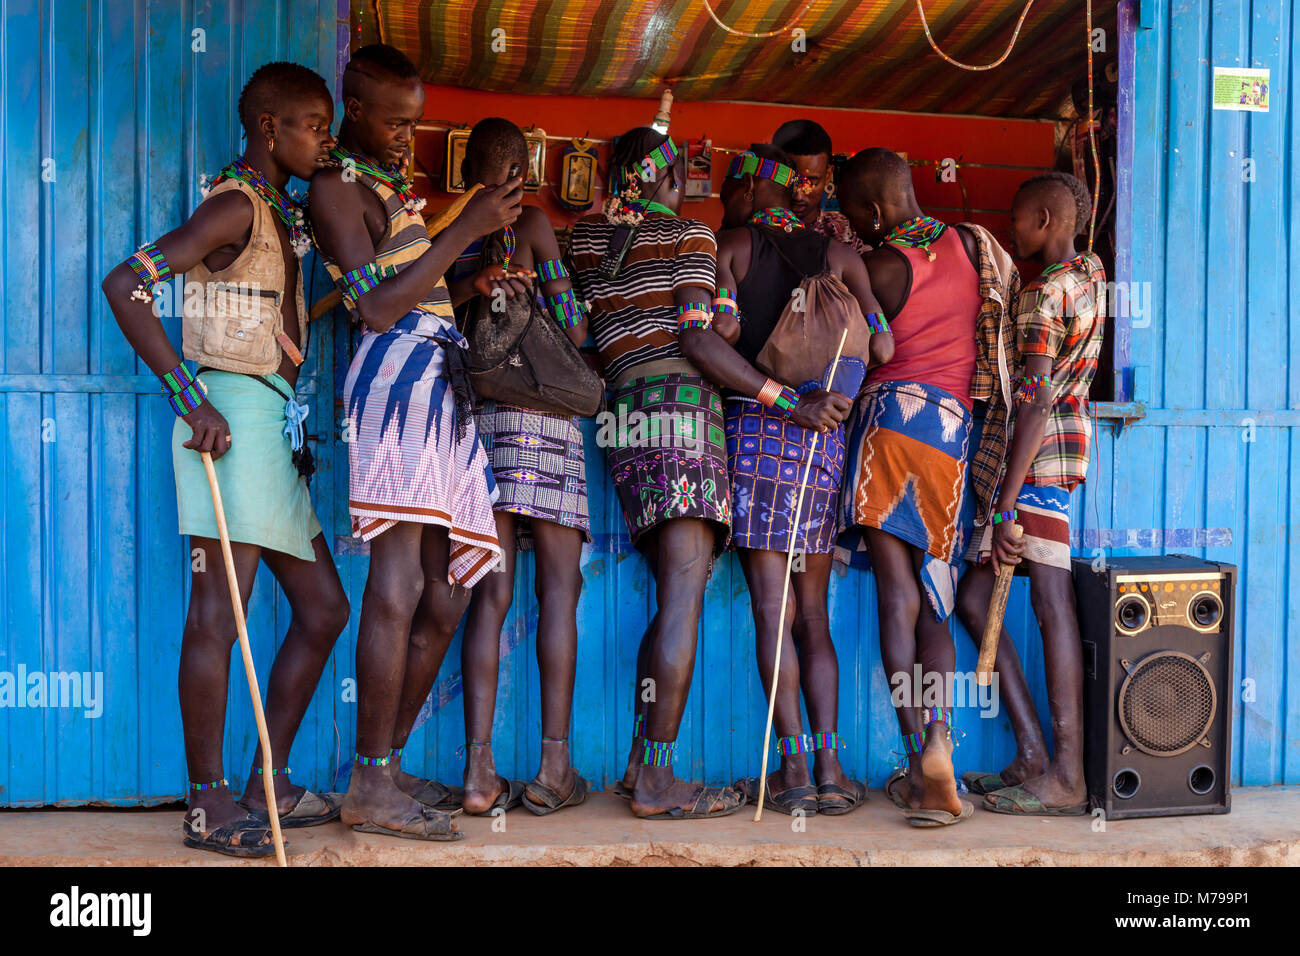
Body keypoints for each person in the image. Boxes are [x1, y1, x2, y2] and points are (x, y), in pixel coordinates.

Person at [101, 62, 348, 857]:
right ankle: (207, 802)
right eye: (313, 124)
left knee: (324, 610)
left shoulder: (273, 209)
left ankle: (266, 781)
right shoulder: (234, 203)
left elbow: (256, 305)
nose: (326, 138)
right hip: (229, 422)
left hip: (268, 426)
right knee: (219, 614)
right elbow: (126, 282)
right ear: (270, 128)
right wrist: (187, 397)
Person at [308, 44, 523, 841]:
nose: (407, 136)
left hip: (441, 381)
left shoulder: (390, 188)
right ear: (353, 110)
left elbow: (419, 290)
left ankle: (387, 766)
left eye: (415, 121)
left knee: (449, 590)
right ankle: (368, 778)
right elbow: (373, 308)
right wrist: (461, 225)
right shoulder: (335, 189)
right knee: (397, 582)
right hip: (396, 384)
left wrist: (468, 282)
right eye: (395, 122)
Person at [677, 143, 892, 815]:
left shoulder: (729, 246)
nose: (723, 204)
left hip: (758, 434)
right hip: (823, 440)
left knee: (773, 612)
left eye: (729, 191)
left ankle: (793, 772)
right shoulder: (843, 256)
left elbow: (717, 335)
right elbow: (882, 344)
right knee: (814, 614)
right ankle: (832, 771)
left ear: (745, 190)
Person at [569, 126, 744, 819]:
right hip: (684, 412)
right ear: (670, 181)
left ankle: (644, 760)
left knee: (674, 593)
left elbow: (584, 332)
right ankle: (659, 779)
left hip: (623, 415)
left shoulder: (582, 240)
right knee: (684, 599)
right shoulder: (691, 237)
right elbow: (700, 336)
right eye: (685, 178)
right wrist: (778, 394)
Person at [445, 117, 591, 816]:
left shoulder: (444, 230)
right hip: (550, 424)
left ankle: (478, 776)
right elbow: (575, 324)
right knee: (559, 594)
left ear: (467, 168)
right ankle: (554, 769)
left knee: (490, 597)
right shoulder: (532, 224)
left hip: (482, 425)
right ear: (524, 172)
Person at [836, 147, 984, 827]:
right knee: (935, 602)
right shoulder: (966, 245)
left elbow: (849, 353)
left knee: (896, 597)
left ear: (870, 209)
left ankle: (916, 751)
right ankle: (943, 741)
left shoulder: (878, 268)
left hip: (888, 428)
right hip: (949, 438)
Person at [956, 172, 1105, 817]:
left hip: (1036, 464)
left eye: (1017, 219)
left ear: (1045, 220)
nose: (1011, 231)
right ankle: (1036, 756)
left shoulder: (1041, 293)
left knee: (1050, 605)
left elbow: (1033, 397)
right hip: (1063, 452)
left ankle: (1065, 774)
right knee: (976, 595)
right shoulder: (1094, 274)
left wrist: (1004, 502)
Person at [772, 119, 869, 253]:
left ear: (828, 175)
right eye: (790, 180)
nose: (798, 195)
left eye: (811, 182)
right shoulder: (754, 231)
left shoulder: (847, 233)